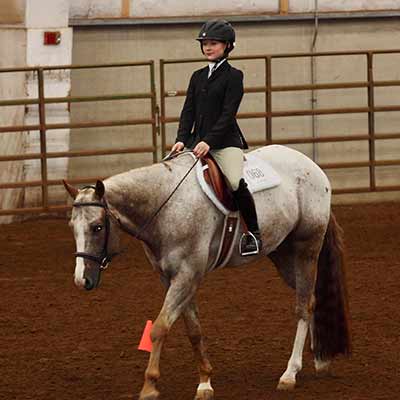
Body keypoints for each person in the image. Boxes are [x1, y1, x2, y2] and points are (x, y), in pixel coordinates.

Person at [170, 19, 262, 256]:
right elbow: (188, 110)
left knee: (233, 181)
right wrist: (181, 138)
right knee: (169, 171)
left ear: (227, 46)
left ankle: (253, 233)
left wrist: (208, 141)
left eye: (213, 43)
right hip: (195, 140)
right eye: (205, 44)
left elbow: (228, 114)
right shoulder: (197, 76)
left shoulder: (234, 76)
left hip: (224, 142)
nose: (208, 48)